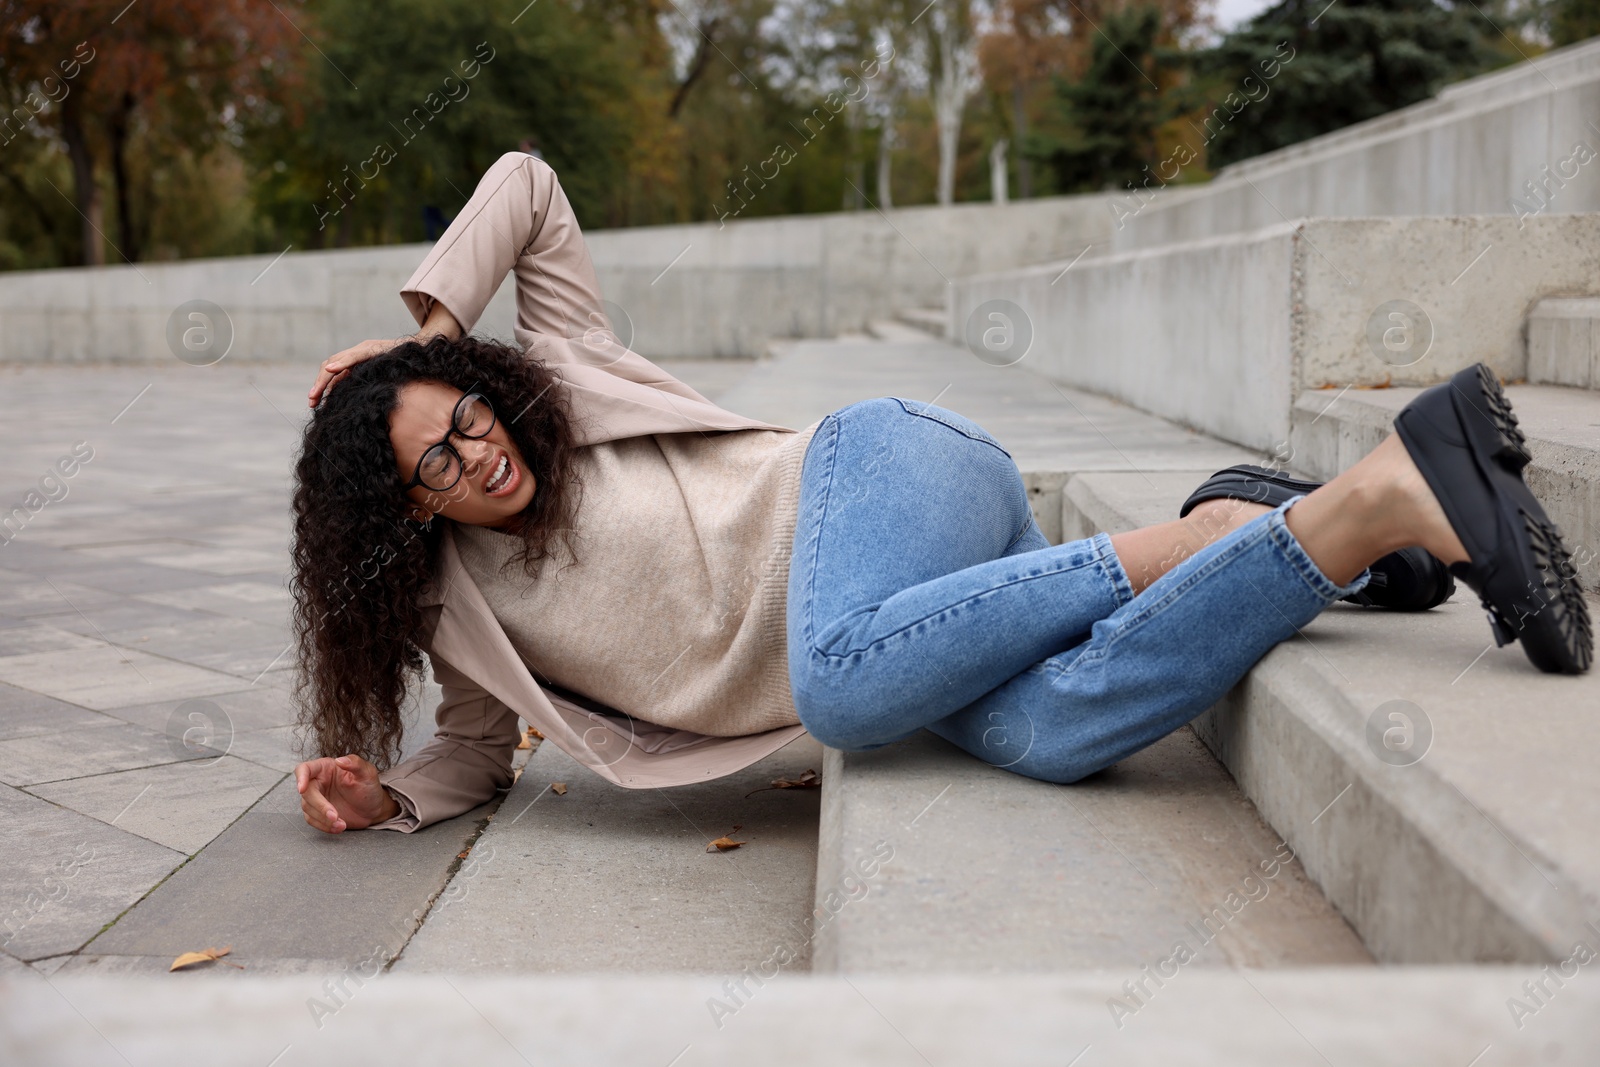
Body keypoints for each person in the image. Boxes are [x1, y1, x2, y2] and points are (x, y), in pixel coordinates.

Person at [292, 153, 1591, 835]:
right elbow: (473, 752)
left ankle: (1220, 530)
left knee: (842, 690)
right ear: (408, 511)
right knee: (1054, 736)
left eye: (464, 415)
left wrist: (423, 326)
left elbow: (525, 182)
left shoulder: (554, 374)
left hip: (879, 474)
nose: (478, 452)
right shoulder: (458, 610)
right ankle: (1353, 522)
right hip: (938, 613)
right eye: (438, 462)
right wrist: (389, 797)